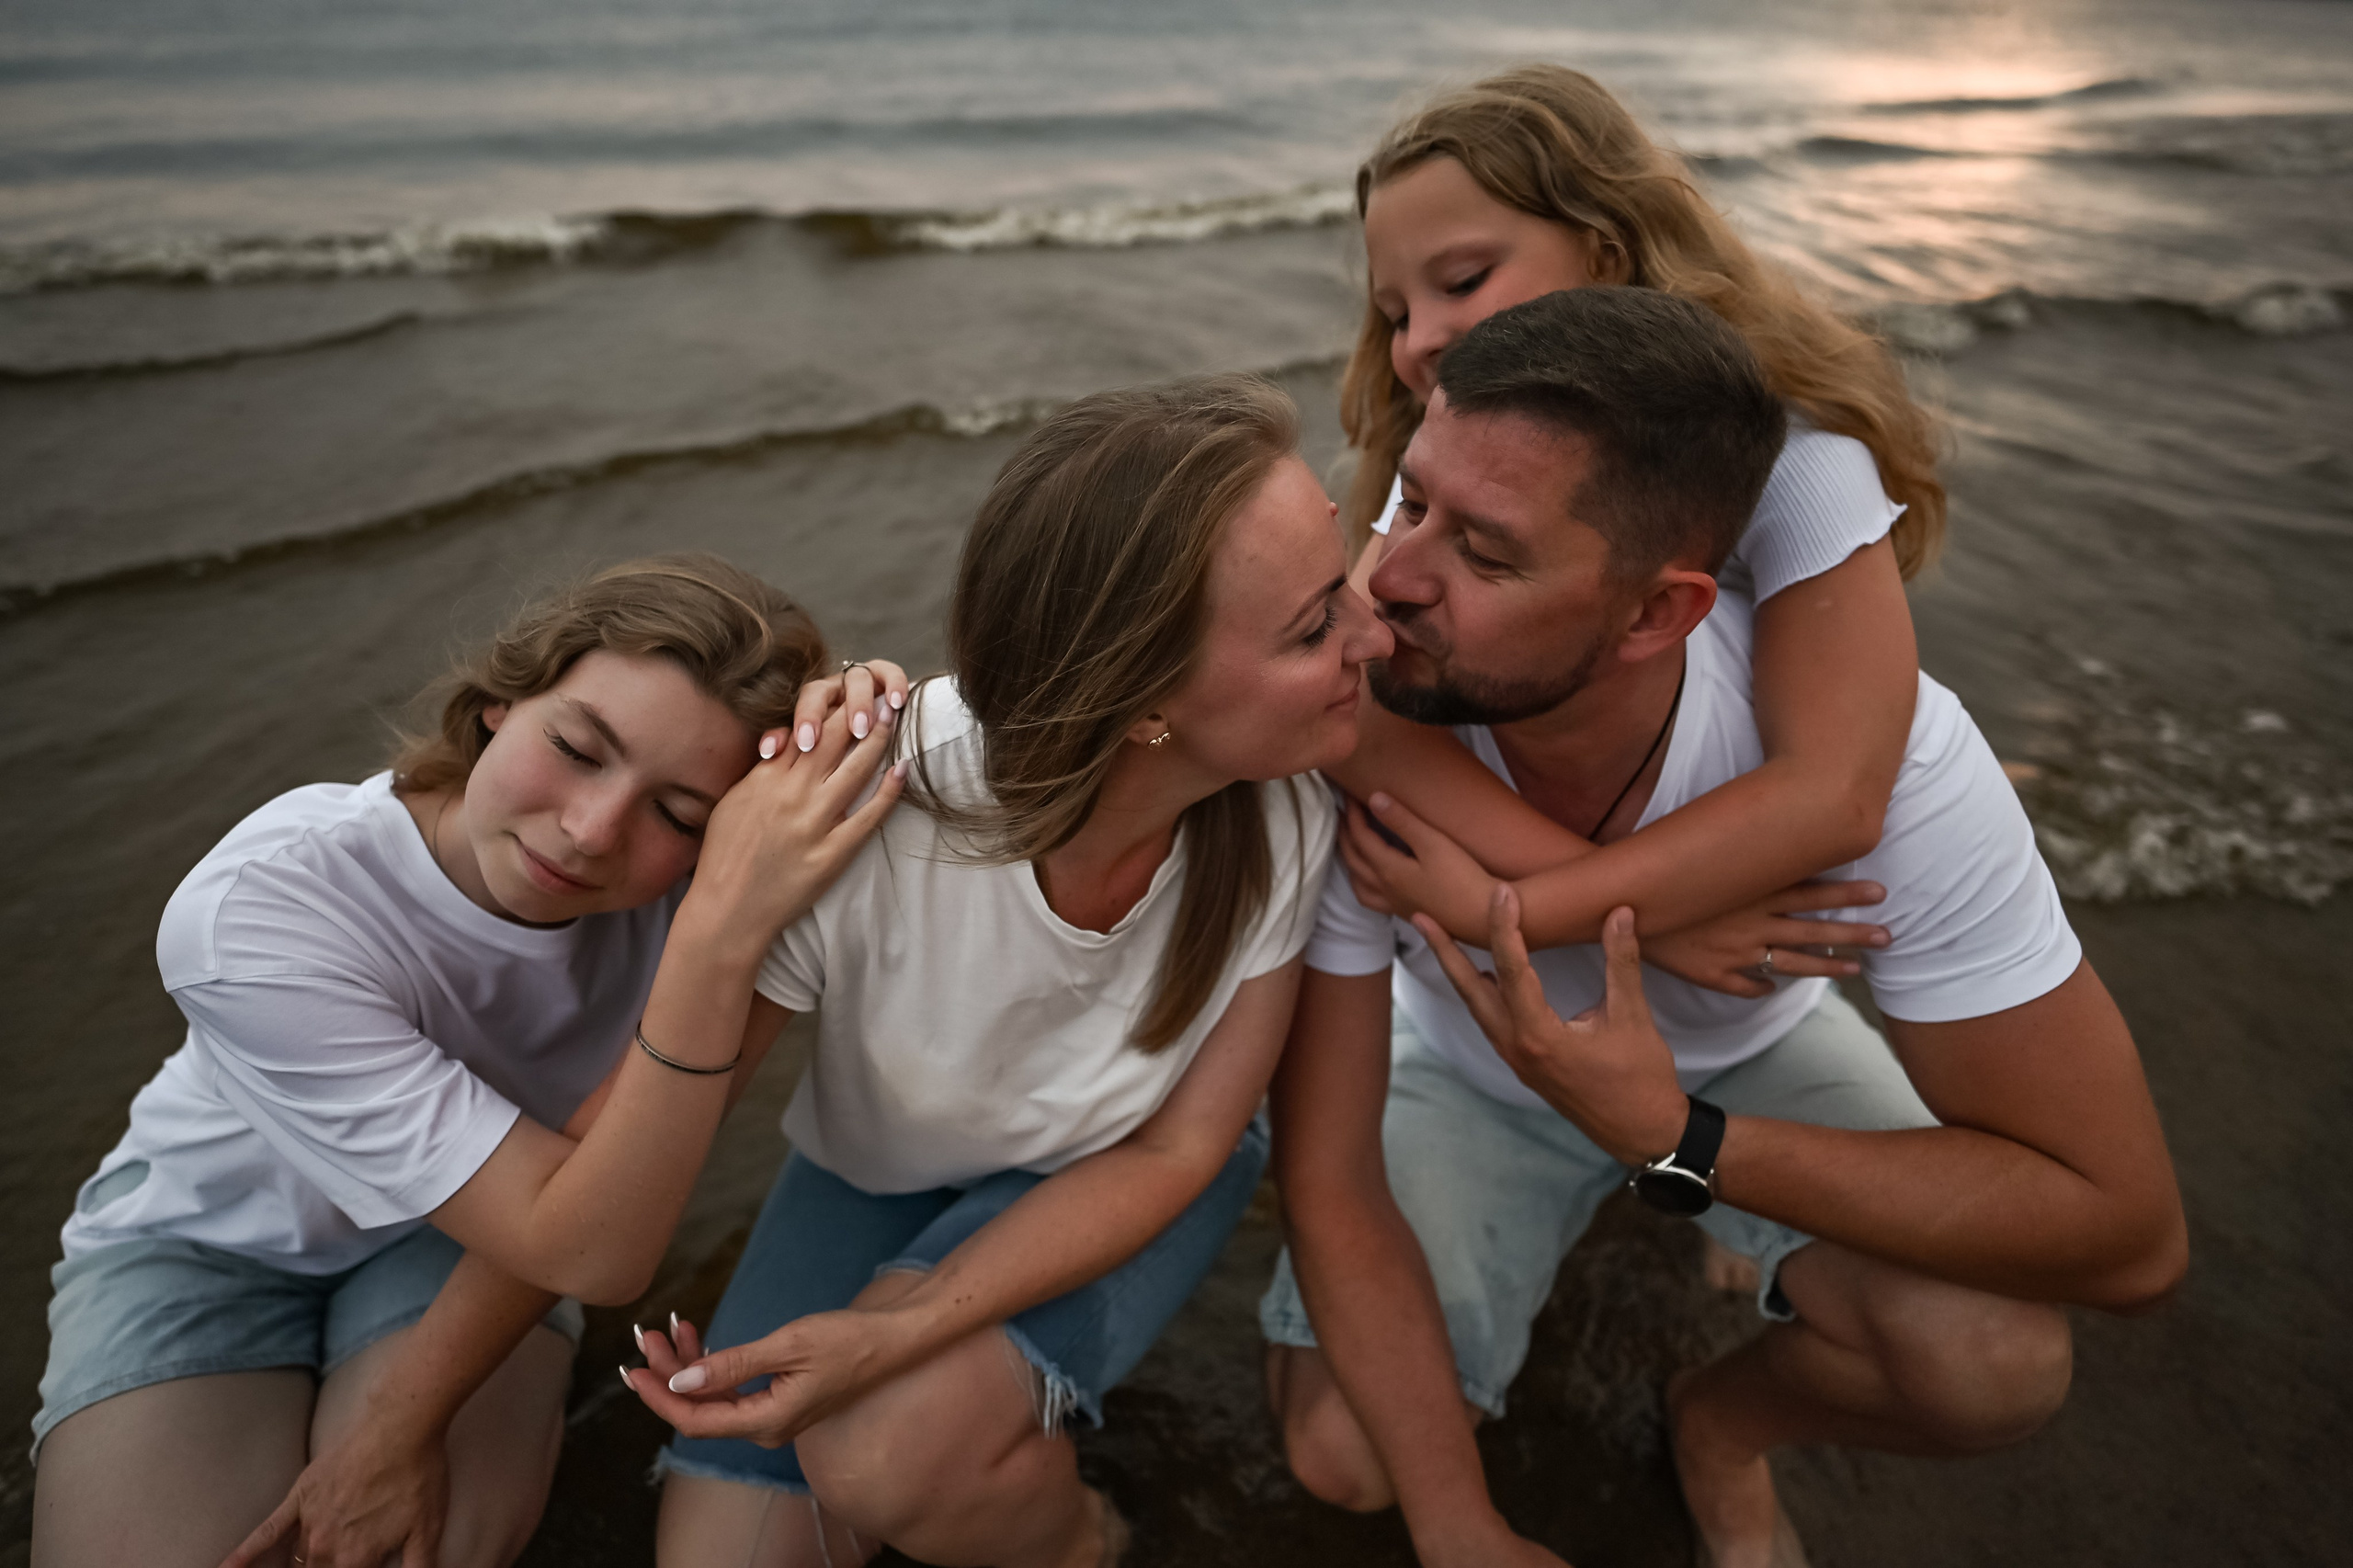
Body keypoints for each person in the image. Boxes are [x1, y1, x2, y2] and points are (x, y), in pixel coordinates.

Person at [1261, 290, 2188, 1567]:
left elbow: (2129, 1236)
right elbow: (1329, 1173)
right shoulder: (1350, 706)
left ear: (1658, 613)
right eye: (1407, 503)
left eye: (1485, 551)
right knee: (1342, 1454)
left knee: (1988, 1361)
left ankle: (1721, 1425)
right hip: (1468, 1071)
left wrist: (1678, 1135)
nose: (1391, 583)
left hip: (1748, 1055)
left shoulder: (1897, 769)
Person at [622, 373, 1389, 1568]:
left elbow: (1181, 1148)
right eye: (1315, 627)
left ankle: (1084, 1537)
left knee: (882, 1448)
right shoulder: (866, 807)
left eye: (1340, 594)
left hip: (1134, 1160)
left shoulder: (1277, 811)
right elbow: (637, 1144)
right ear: (1140, 705)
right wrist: (720, 907)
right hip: (885, 1167)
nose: (1374, 639)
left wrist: (909, 1322)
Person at [29, 556, 907, 1568]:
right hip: (213, 1235)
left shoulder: (712, 901)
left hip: (491, 1233)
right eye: (577, 747)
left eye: (679, 813)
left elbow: (591, 1239)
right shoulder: (260, 910)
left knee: (423, 1547)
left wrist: (866, 711)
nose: (590, 832)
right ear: (499, 698)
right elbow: (583, 1231)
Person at [1329, 63, 1939, 994]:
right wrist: (1644, 923)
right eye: (1395, 313)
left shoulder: (1801, 457)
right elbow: (1359, 712)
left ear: (1607, 250)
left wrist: (1518, 912)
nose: (1418, 338)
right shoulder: (1453, 462)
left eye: (1461, 280)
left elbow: (1836, 792)